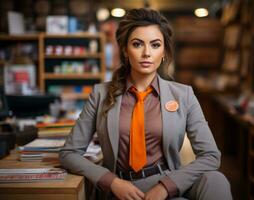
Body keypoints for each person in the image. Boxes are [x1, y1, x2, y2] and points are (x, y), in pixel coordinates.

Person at [59, 8, 232, 200]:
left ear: (164, 52)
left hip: (168, 180)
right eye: (137, 44)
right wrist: (111, 181)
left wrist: (166, 187)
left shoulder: (184, 95)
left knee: (216, 180)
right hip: (122, 187)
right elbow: (69, 153)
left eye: (155, 45)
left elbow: (211, 155)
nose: (147, 53)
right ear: (125, 50)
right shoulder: (100, 94)